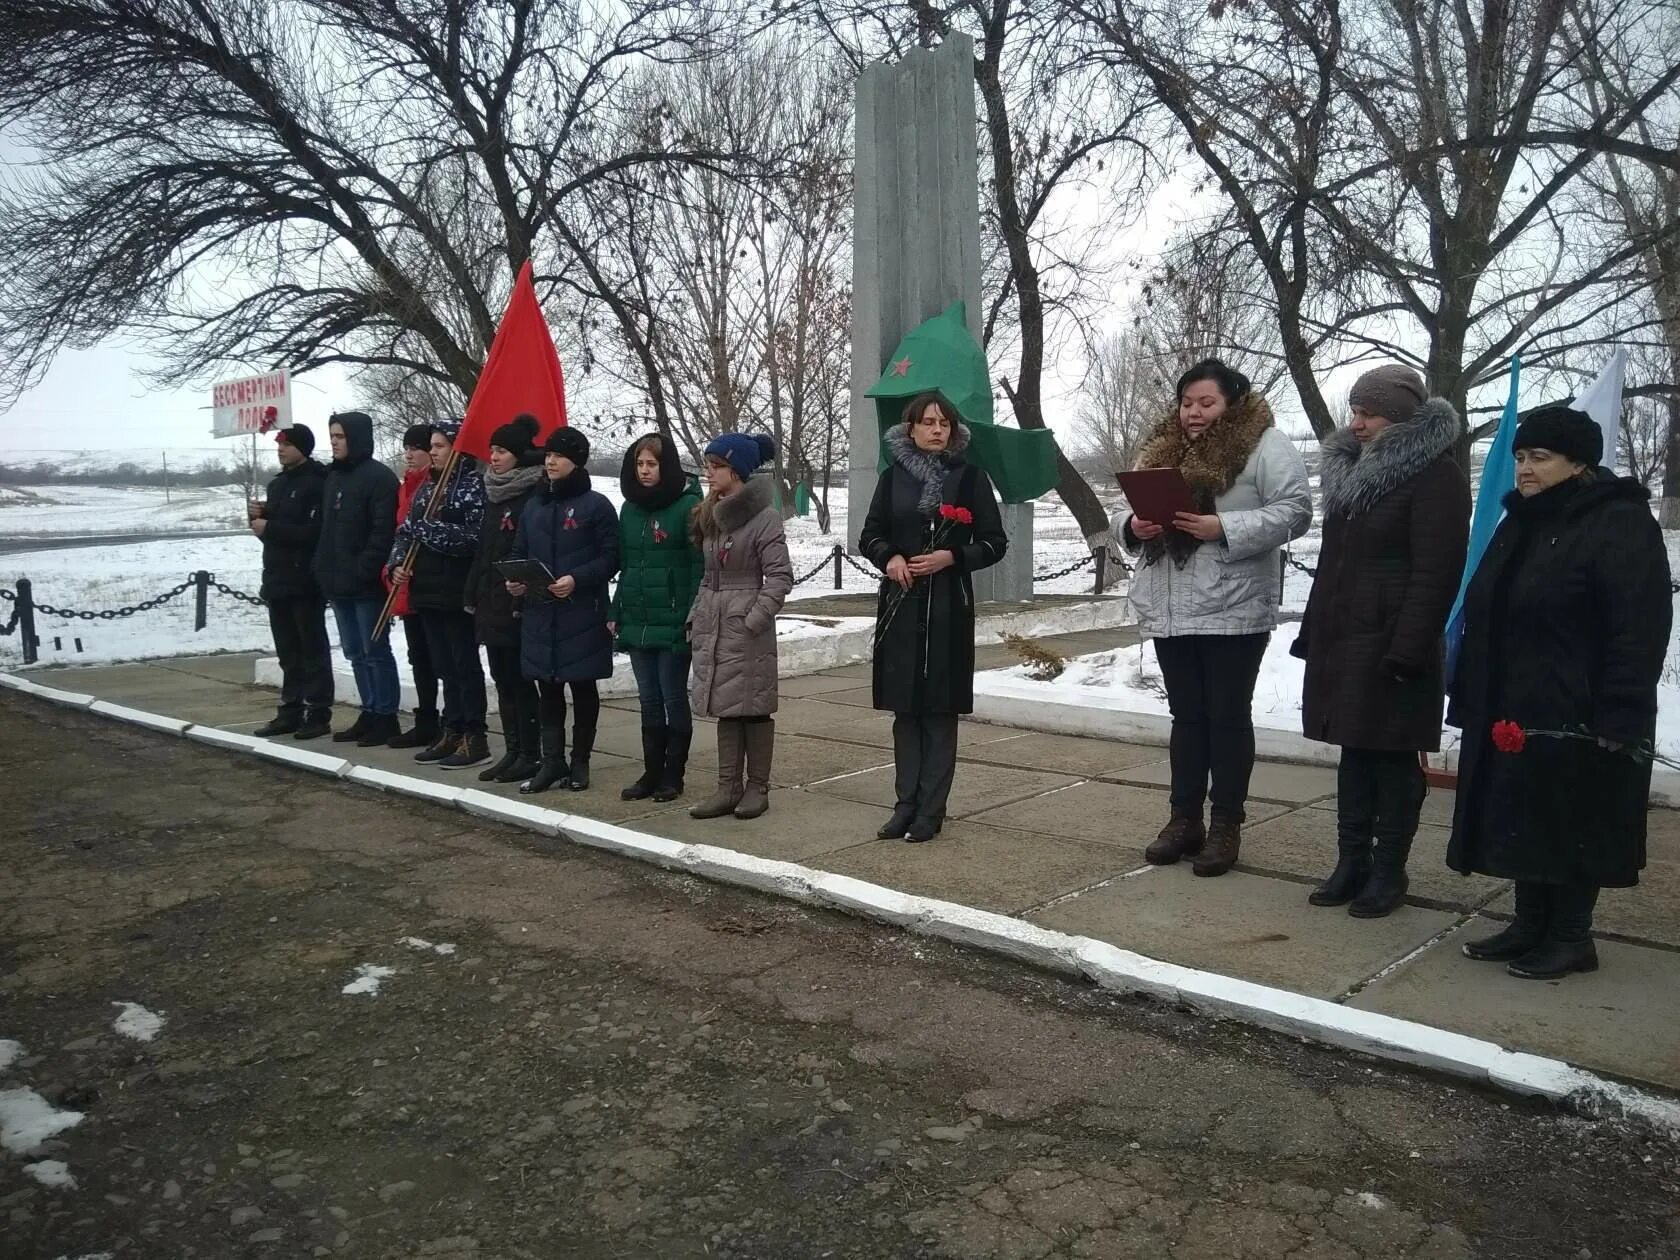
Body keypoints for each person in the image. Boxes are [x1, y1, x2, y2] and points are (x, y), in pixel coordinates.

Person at [1447, 404, 1670, 980]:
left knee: (1573, 817)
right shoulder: (1521, 519)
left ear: (1579, 463)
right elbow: (1489, 607)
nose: (1524, 468)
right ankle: (1529, 923)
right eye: (1521, 456)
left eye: (1540, 457)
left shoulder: (1617, 522)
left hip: (1581, 704)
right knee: (1523, 811)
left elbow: (1638, 626)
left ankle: (1571, 936)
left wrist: (1620, 709)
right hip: (1518, 699)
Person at [1114, 359, 1312, 876]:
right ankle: (1184, 820)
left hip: (1234, 605)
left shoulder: (1265, 444)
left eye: (1207, 402)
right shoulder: (1161, 447)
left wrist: (1221, 526)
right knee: (1187, 717)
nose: (1194, 413)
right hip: (1171, 604)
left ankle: (1226, 824)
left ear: (1232, 402)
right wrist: (1134, 526)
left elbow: (1296, 509)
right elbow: (1123, 511)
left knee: (1226, 717)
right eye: (1187, 403)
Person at [1291, 366, 1470, 916]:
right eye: (1355, 411)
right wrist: (1312, 633)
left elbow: (1438, 572)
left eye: (1368, 413)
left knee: (1392, 759)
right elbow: (1333, 565)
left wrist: (1409, 648)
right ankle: (1352, 862)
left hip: (1394, 643)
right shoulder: (1352, 473)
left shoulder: (1435, 476)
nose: (1357, 423)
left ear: (1399, 418)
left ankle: (1389, 871)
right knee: (1354, 753)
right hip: (1345, 639)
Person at [859, 393, 1008, 842]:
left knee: (939, 712)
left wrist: (951, 556)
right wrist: (890, 559)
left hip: (947, 606)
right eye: (928, 422)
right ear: (911, 429)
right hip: (902, 607)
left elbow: (995, 542)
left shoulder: (970, 478)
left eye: (944, 422)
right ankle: (905, 804)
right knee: (906, 711)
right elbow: (870, 535)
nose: (937, 429)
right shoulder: (891, 479)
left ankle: (931, 810)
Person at [507, 427, 619, 794]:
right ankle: (551, 761)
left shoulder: (596, 506)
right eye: (548, 455)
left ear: (577, 461)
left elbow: (611, 558)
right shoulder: (534, 505)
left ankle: (580, 761)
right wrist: (516, 579)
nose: (550, 461)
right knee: (548, 688)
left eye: (558, 455)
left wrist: (577, 578)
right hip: (541, 613)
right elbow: (519, 551)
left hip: (581, 612)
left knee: (582, 686)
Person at [687, 433, 793, 821]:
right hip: (715, 622)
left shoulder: (763, 518)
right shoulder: (712, 514)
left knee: (753, 709)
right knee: (727, 709)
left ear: (738, 469)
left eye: (716, 466)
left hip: (746, 627)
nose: (709, 473)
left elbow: (780, 576)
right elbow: (708, 576)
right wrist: (696, 614)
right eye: (709, 465)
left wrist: (754, 618)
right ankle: (727, 786)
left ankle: (756, 788)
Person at [389, 419, 489, 769]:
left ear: (457, 448)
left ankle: (474, 736)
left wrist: (428, 529)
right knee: (443, 665)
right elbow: (405, 532)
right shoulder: (427, 489)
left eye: (439, 445)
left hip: (457, 589)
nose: (431, 451)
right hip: (427, 589)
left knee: (464, 665)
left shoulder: (474, 485)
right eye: (430, 446)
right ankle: (453, 728)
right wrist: (397, 564)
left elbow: (473, 538)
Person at [611, 432, 704, 802]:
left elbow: (699, 568)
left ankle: (673, 776)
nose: (645, 471)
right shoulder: (630, 509)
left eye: (652, 464)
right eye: (639, 464)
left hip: (674, 618)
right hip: (638, 617)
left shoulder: (688, 506)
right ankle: (651, 772)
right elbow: (628, 567)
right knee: (648, 699)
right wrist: (616, 610)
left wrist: (690, 615)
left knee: (672, 696)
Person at [465, 415, 546, 783]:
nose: (493, 457)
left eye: (501, 451)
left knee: (519, 681)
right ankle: (513, 750)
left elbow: (524, 553)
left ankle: (531, 753)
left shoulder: (530, 495)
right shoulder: (494, 494)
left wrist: (518, 592)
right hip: (490, 602)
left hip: (516, 603)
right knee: (501, 679)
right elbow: (484, 552)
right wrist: (472, 593)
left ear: (518, 456)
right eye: (492, 451)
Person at [313, 410, 401, 746]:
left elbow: (382, 532)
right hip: (338, 583)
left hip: (366, 584)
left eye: (340, 437)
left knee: (374, 649)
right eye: (332, 436)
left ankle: (385, 715)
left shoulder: (378, 478)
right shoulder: (333, 478)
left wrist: (364, 569)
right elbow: (327, 529)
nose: (334, 443)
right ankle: (370, 710)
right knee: (353, 651)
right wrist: (322, 567)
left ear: (356, 438)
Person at [250, 423, 333, 740]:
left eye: (286, 444)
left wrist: (269, 527)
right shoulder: (278, 485)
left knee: (312, 650)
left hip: (305, 582)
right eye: (278, 444)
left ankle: (318, 712)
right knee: (288, 652)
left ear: (303, 447)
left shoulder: (317, 483)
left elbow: (313, 534)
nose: (280, 449)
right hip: (278, 579)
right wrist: (261, 518)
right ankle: (290, 710)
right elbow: (275, 538)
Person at [387, 424, 443, 749]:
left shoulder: (437, 485)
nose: (409, 454)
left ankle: (452, 723)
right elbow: (401, 531)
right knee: (418, 656)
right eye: (406, 447)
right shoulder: (405, 486)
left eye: (417, 447)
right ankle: (426, 719)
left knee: (442, 657)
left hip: (434, 583)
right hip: (409, 582)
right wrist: (394, 565)